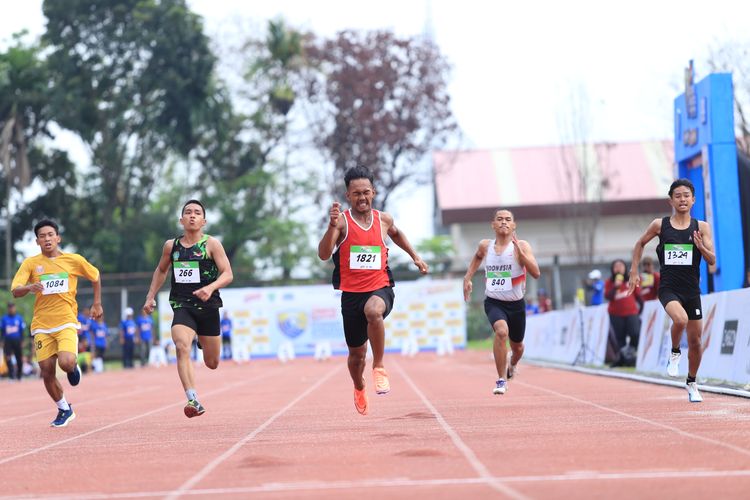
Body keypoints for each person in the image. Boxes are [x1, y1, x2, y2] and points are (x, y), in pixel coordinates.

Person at [317, 166, 428, 415]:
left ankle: (379, 367)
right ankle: (359, 385)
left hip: (380, 287)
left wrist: (416, 257)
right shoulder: (342, 223)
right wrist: (330, 226)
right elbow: (324, 254)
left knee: (374, 312)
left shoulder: (383, 220)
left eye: (366, 192)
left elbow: (397, 234)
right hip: (351, 296)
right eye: (356, 193)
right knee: (356, 357)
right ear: (348, 195)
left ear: (373, 192)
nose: (362, 198)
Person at [142, 199, 233, 418]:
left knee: (212, 363)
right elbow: (161, 270)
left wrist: (210, 288)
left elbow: (228, 273)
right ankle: (193, 398)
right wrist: (150, 296)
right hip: (182, 306)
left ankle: (202, 339)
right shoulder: (171, 246)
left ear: (204, 221)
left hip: (208, 307)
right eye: (188, 212)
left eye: (197, 213)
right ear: (181, 220)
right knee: (181, 346)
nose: (192, 215)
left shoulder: (211, 244)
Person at [628, 178, 716, 403]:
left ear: (693, 199)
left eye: (686, 195)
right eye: (678, 196)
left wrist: (701, 247)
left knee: (696, 342)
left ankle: (692, 383)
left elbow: (712, 260)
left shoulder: (702, 227)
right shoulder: (660, 225)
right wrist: (634, 272)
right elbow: (640, 244)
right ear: (671, 200)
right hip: (668, 289)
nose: (682, 199)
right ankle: (675, 351)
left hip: (692, 290)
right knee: (680, 320)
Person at [10, 219, 102, 427]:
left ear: (58, 238)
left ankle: (73, 368)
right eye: (42, 236)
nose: (47, 239)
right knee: (46, 371)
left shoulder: (73, 260)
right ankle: (64, 409)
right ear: (37, 241)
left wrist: (97, 303)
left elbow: (95, 276)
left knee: (66, 362)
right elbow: (15, 290)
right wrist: (29, 287)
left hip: (66, 320)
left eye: (50, 235)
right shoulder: (31, 264)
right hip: (41, 324)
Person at [462, 209, 540, 395]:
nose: (504, 222)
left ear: (514, 225)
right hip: (494, 302)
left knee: (518, 347)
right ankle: (501, 379)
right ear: (493, 225)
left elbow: (536, 273)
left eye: (508, 220)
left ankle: (512, 364)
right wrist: (468, 277)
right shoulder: (485, 245)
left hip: (516, 304)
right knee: (501, 332)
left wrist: (521, 255)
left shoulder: (521, 246)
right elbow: (477, 257)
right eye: (499, 219)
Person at [605, 259, 641, 366]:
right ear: (612, 269)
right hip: (615, 314)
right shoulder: (609, 282)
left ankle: (630, 353)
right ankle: (624, 360)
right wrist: (616, 286)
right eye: (616, 266)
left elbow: (638, 296)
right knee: (620, 338)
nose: (618, 268)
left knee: (635, 334)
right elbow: (608, 296)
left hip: (632, 313)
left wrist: (642, 310)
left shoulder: (631, 280)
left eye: (621, 266)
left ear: (625, 268)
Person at [1, 302, 26, 380]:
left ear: (15, 308)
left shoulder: (19, 318)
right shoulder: (4, 319)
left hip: (17, 340)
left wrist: (22, 341)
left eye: (12, 307)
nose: (11, 309)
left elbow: (22, 331)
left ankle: (19, 376)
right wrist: (1, 341)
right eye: (10, 308)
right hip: (7, 341)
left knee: (19, 358)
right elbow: (2, 331)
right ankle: (11, 375)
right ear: (8, 309)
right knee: (7, 357)